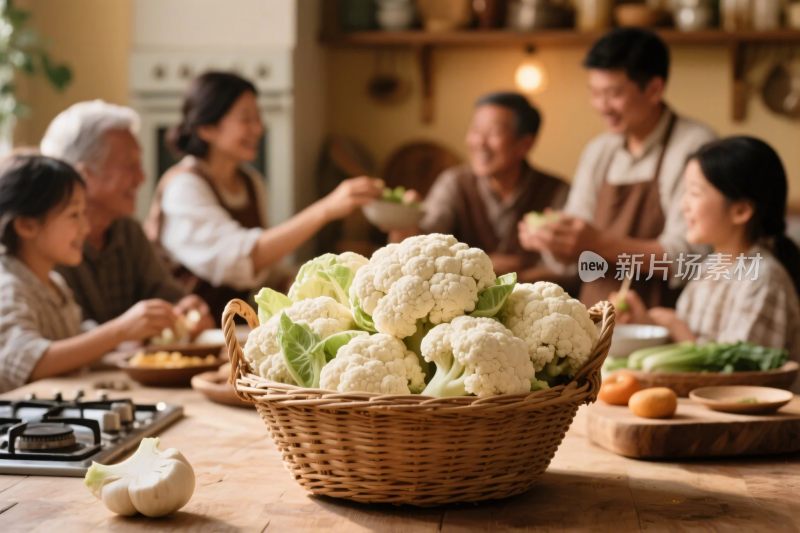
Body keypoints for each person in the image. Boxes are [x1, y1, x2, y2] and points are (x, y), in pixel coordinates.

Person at [144, 71, 382, 321]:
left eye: (258, 117)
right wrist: (326, 209)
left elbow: (263, 267)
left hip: (230, 331)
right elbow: (239, 261)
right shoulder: (184, 186)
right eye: (246, 119)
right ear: (207, 128)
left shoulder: (250, 182)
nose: (258, 128)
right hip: (185, 335)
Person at [519, 28, 716, 307]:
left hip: (663, 322)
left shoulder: (693, 147)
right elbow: (578, 255)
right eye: (595, 93)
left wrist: (598, 242)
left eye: (613, 94)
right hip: (596, 315)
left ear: (654, 89)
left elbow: (689, 259)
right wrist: (554, 242)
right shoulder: (599, 150)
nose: (602, 106)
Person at [0, 155, 178, 392]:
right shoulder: (8, 286)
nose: (85, 227)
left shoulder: (55, 283)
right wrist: (120, 330)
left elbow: (73, 344)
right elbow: (31, 362)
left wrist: (124, 354)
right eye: (74, 215)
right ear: (26, 225)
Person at [613, 136, 800, 358]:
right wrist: (646, 323)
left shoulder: (762, 279)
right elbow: (693, 352)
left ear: (740, 211)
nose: (684, 206)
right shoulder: (709, 266)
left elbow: (744, 372)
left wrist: (677, 328)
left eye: (694, 193)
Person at [39, 100, 210, 334]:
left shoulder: (127, 230)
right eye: (129, 166)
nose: (142, 177)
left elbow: (166, 296)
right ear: (84, 175)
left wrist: (185, 309)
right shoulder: (46, 242)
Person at [396, 91, 570, 283]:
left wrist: (511, 278)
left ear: (525, 144)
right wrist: (403, 217)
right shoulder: (454, 182)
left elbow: (569, 269)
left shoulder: (557, 191)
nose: (479, 142)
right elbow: (424, 242)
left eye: (493, 133)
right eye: (475, 131)